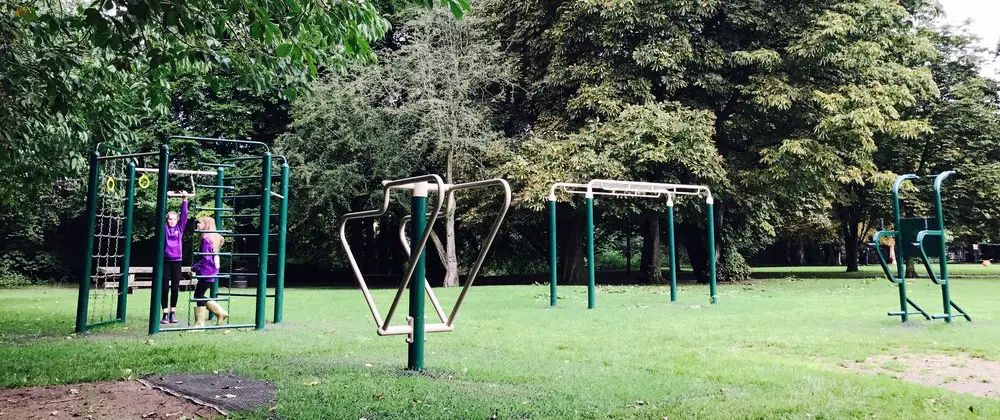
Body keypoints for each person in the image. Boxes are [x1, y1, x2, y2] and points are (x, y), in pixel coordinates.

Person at [193, 216, 228, 326]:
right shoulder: (216, 237)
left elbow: (205, 258)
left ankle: (201, 322)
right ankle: (219, 312)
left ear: (206, 224)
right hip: (212, 271)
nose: (197, 225)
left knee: (198, 295)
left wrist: (194, 267)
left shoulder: (206, 239)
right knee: (199, 294)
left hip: (206, 271)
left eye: (199, 223)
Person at [162, 193, 189, 324]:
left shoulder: (180, 228)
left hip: (177, 261)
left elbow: (184, 215)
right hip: (165, 261)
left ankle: (173, 312)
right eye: (169, 219)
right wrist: (165, 197)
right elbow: (160, 213)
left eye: (174, 219)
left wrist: (184, 200)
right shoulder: (164, 228)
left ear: (177, 220)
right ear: (166, 220)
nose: (171, 221)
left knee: (175, 288)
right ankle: (165, 314)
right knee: (164, 287)